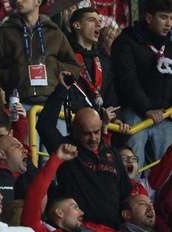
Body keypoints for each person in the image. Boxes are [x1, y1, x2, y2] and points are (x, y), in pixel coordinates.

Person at [36, 79, 131, 230]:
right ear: (74, 131)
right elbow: (44, 125)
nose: (93, 138)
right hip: (82, 226)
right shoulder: (66, 150)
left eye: (96, 132)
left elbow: (125, 192)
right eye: (87, 133)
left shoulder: (112, 153)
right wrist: (61, 90)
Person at [0, 0, 79, 108]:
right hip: (19, 102)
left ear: (38, 1)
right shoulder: (5, 32)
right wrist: (11, 76)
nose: (18, 0)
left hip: (53, 103)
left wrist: (53, 68)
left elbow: (74, 65)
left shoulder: (54, 32)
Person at [113, 0, 172, 166]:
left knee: (166, 171)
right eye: (163, 17)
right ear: (148, 17)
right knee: (133, 164)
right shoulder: (126, 41)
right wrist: (146, 108)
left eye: (170, 18)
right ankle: (134, 192)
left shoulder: (169, 45)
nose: (169, 24)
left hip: (165, 115)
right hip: (134, 113)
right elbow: (127, 80)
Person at [20, 144, 83, 232]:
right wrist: (57, 159)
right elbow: (35, 195)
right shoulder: (37, 229)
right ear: (59, 213)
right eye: (75, 207)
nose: (82, 213)